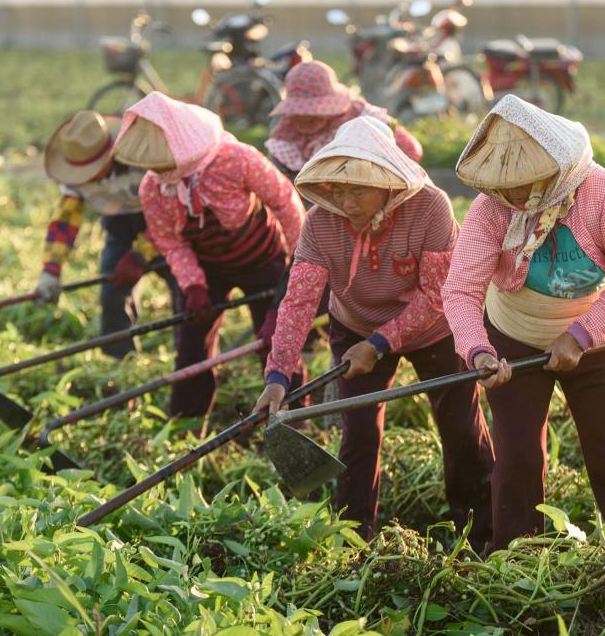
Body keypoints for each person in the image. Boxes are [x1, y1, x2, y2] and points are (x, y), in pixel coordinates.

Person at [253, 117, 494, 548]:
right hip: (355, 323)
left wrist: (382, 343)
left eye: (358, 188)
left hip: (434, 329)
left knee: (460, 429)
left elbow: (437, 294)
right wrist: (278, 377)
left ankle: (480, 534)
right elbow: (298, 303)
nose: (346, 200)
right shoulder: (320, 223)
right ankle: (354, 540)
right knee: (359, 435)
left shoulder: (430, 208)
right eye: (339, 189)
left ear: (388, 183)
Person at [442, 95, 605, 550]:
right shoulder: (490, 210)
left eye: (527, 184)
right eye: (508, 186)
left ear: (556, 169)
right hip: (513, 338)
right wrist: (479, 352)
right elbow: (461, 290)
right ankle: (519, 567)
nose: (516, 196)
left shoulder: (600, 192)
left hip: (594, 337)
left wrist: (580, 336)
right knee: (517, 461)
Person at [112, 92, 306, 420]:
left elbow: (284, 201)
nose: (157, 169)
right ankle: (187, 422)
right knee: (191, 347)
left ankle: (292, 418)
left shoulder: (235, 158)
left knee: (277, 342)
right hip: (208, 268)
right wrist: (193, 285)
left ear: (182, 145)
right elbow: (171, 242)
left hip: (263, 259)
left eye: (162, 160)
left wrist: (299, 262)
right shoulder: (154, 187)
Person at [34, 110, 178, 358]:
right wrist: (50, 271)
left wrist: (141, 253)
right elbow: (65, 221)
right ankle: (120, 363)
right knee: (113, 296)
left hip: (167, 227)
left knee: (186, 293)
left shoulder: (145, 158)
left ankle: (191, 359)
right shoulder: (75, 168)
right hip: (120, 229)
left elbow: (173, 208)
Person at [265, 60, 423, 178]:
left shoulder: (360, 118)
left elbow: (410, 149)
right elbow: (280, 180)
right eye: (299, 114)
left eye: (313, 116)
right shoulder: (287, 134)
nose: (304, 120)